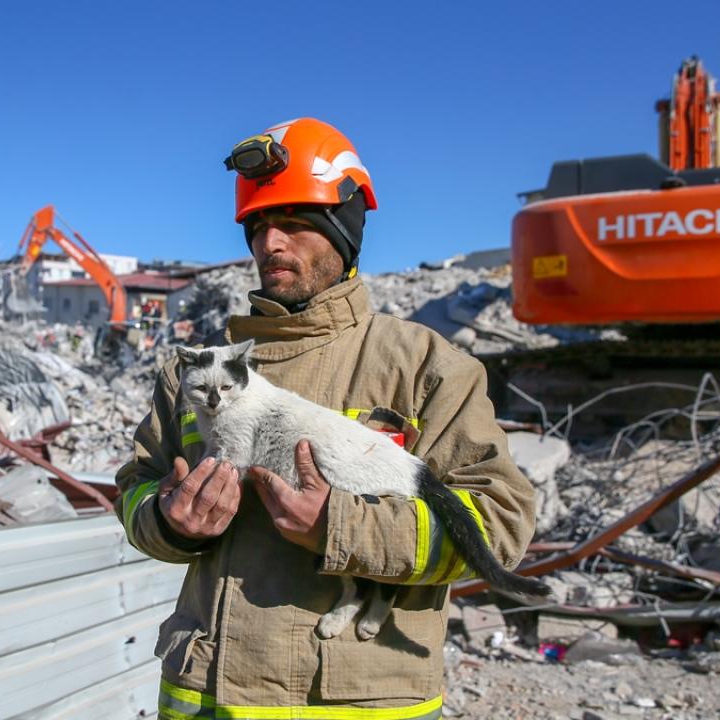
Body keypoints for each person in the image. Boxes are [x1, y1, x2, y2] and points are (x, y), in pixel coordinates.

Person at [114, 118, 536, 717]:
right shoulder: (195, 373)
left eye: (293, 222)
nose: (270, 244)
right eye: (257, 226)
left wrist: (341, 529)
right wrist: (170, 518)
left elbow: (499, 527)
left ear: (345, 229)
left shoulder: (427, 368)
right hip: (206, 698)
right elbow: (134, 494)